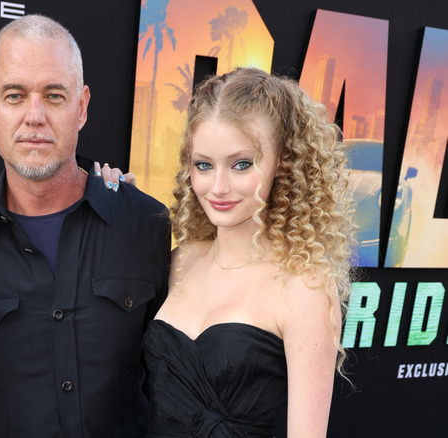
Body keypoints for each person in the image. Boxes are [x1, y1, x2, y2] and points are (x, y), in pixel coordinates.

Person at [0, 14, 172, 438]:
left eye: (54, 95)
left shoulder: (147, 226)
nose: (34, 116)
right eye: (15, 95)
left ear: (82, 106)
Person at [141, 67, 356, 437]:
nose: (218, 187)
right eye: (203, 165)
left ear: (283, 164)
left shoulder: (304, 287)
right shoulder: (180, 261)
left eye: (242, 164)